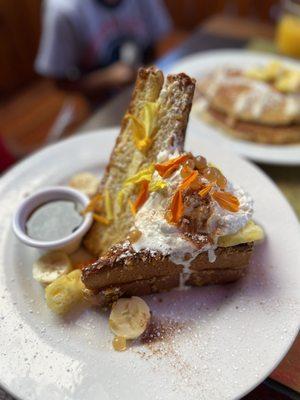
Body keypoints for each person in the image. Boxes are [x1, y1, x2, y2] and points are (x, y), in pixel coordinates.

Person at [35, 0, 172, 101]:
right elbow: (59, 82)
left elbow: (154, 45)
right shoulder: (62, 10)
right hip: (102, 103)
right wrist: (105, 79)